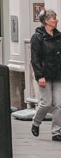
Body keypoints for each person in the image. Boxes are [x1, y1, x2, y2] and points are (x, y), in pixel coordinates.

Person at [29, 9, 61, 140]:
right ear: (47, 21)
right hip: (44, 75)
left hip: (58, 74)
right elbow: (34, 58)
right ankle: (36, 122)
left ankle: (57, 132)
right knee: (46, 103)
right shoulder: (37, 37)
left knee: (59, 104)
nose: (57, 20)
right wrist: (39, 75)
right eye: (54, 18)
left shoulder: (59, 36)